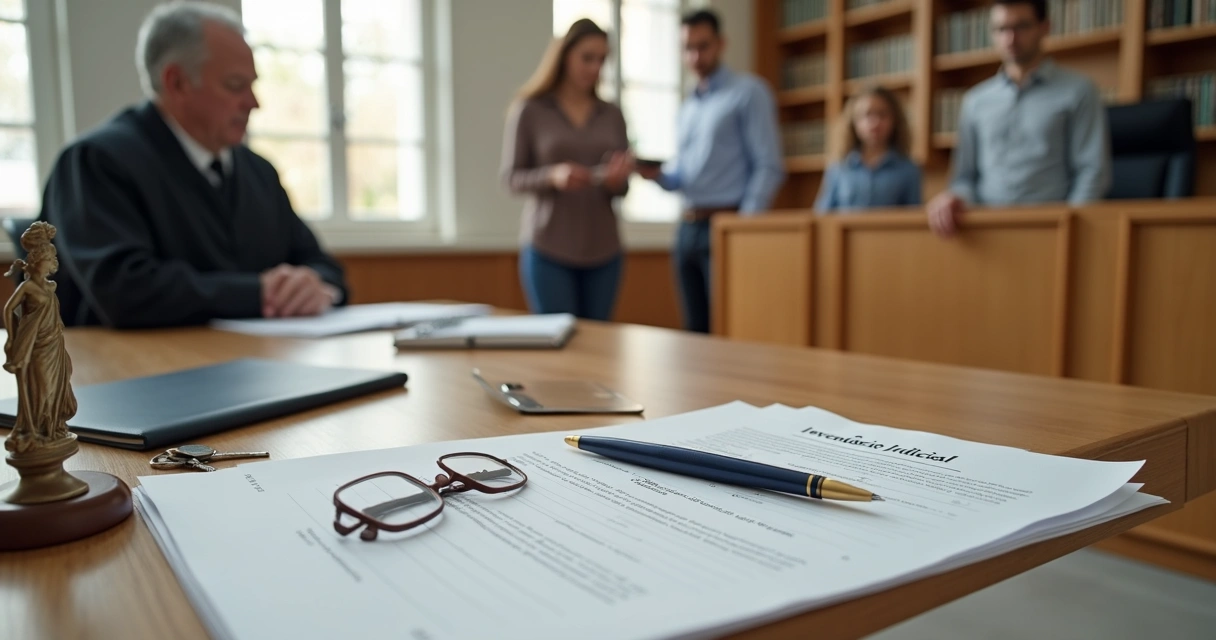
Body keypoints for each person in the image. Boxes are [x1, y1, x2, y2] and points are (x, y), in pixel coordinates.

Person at [36, 1, 348, 328]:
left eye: (252, 85)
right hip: (131, 370)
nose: (254, 103)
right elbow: (124, 290)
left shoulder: (259, 173)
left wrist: (313, 286)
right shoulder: (97, 162)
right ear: (177, 82)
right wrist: (257, 293)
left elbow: (324, 267)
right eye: (235, 85)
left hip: (254, 363)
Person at [637, 9, 784, 334]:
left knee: (731, 326)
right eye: (688, 48)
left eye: (703, 46)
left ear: (721, 44)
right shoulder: (689, 105)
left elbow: (769, 165)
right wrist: (658, 176)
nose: (695, 56)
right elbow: (685, 175)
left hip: (727, 223)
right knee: (694, 330)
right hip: (688, 228)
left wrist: (743, 226)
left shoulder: (749, 93)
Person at [925, 0, 1111, 237]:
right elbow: (964, 178)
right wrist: (954, 198)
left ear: (1044, 27)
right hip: (986, 233)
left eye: (1021, 27)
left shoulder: (1079, 91)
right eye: (1001, 29)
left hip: (1053, 230)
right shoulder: (975, 101)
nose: (1010, 38)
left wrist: (1072, 228)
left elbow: (1092, 172)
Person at [500, 19, 633, 321]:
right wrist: (552, 176)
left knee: (599, 345)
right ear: (565, 55)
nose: (596, 67)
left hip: (604, 248)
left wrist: (615, 180)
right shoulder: (530, 110)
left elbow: (623, 189)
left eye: (602, 60)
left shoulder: (611, 114)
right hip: (548, 246)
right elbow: (511, 178)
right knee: (558, 345)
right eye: (588, 58)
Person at [814, 86, 921, 213]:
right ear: (853, 121)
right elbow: (821, 215)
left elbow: (913, 219)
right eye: (866, 114)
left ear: (895, 120)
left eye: (882, 115)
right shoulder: (838, 167)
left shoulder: (908, 169)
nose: (874, 122)